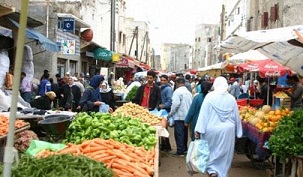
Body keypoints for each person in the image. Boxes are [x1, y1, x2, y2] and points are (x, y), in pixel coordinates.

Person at [194, 76, 243, 177]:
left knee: (211, 153)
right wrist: (239, 132)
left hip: (210, 130)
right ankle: (221, 173)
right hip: (227, 131)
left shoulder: (209, 97)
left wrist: (198, 130)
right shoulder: (231, 98)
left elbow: (203, 114)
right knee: (224, 155)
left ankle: (212, 171)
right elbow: (236, 116)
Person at [167, 77, 192, 156]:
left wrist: (170, 114)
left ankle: (180, 151)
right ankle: (184, 149)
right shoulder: (188, 92)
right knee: (185, 134)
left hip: (179, 116)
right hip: (187, 116)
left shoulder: (177, 92)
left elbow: (175, 104)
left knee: (179, 134)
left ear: (177, 83)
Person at [158, 74, 173, 152]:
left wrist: (163, 105)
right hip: (161, 111)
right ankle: (164, 145)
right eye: (161, 80)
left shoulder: (168, 89)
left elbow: (170, 101)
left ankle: (166, 146)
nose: (162, 82)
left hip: (165, 111)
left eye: (164, 80)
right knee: (163, 128)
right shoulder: (161, 88)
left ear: (167, 81)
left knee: (164, 128)